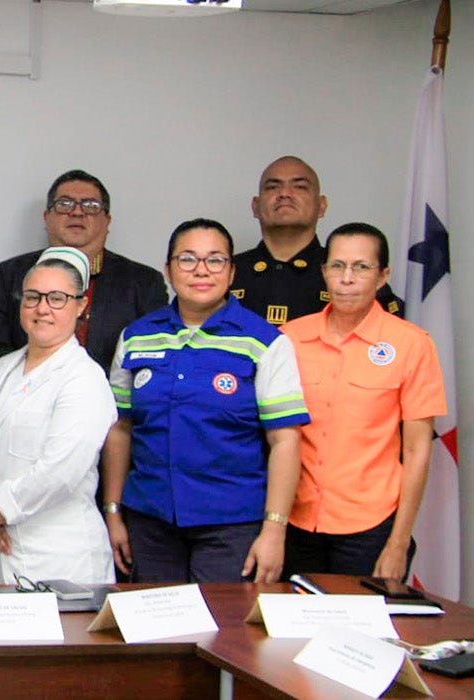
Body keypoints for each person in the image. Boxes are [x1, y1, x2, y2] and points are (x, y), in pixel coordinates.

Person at [101, 219, 309, 584]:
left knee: (224, 635)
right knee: (153, 635)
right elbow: (120, 429)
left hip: (231, 527)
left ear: (231, 272)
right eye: (187, 259)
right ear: (168, 270)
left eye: (215, 260)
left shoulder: (265, 341)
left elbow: (285, 440)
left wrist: (275, 529)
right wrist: (114, 511)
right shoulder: (137, 337)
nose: (201, 270)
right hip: (150, 522)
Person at [280, 223, 446, 580]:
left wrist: (398, 543)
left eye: (361, 267)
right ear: (324, 272)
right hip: (295, 521)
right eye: (337, 266)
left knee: (362, 633)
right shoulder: (290, 339)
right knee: (290, 632)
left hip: (370, 526)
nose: (347, 278)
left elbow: (418, 451)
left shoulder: (412, 345)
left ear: (382, 276)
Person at [0, 247, 117, 585]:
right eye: (32, 297)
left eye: (57, 298)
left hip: (61, 559)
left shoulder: (84, 378)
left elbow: (60, 470)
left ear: (81, 305)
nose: (42, 308)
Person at [0, 169, 167, 374]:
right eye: (64, 204)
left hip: (112, 400)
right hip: (25, 396)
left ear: (107, 221)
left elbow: (152, 361)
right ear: (46, 217)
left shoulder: (144, 283)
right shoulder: (8, 276)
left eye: (91, 206)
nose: (77, 212)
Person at [232, 156, 401, 325]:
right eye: (272, 187)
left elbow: (391, 338)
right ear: (255, 206)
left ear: (322, 206)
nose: (284, 194)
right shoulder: (224, 272)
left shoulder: (353, 273)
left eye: (300, 187)